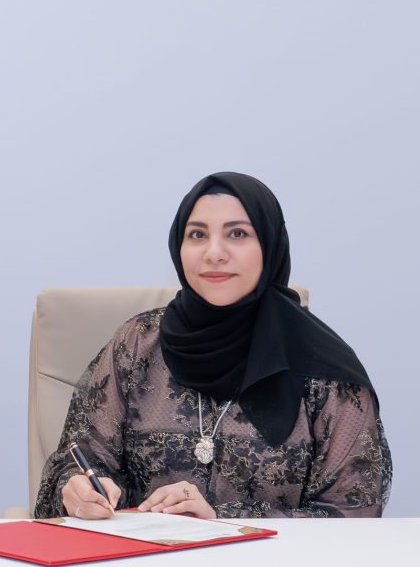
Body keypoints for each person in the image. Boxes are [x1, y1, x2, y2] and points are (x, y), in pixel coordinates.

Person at [37, 171, 389, 520]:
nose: (214, 253)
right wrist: (77, 489)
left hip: (275, 558)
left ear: (269, 245)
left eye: (238, 234)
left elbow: (354, 512)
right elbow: (78, 461)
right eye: (197, 235)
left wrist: (221, 519)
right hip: (144, 555)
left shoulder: (323, 368)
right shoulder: (136, 344)